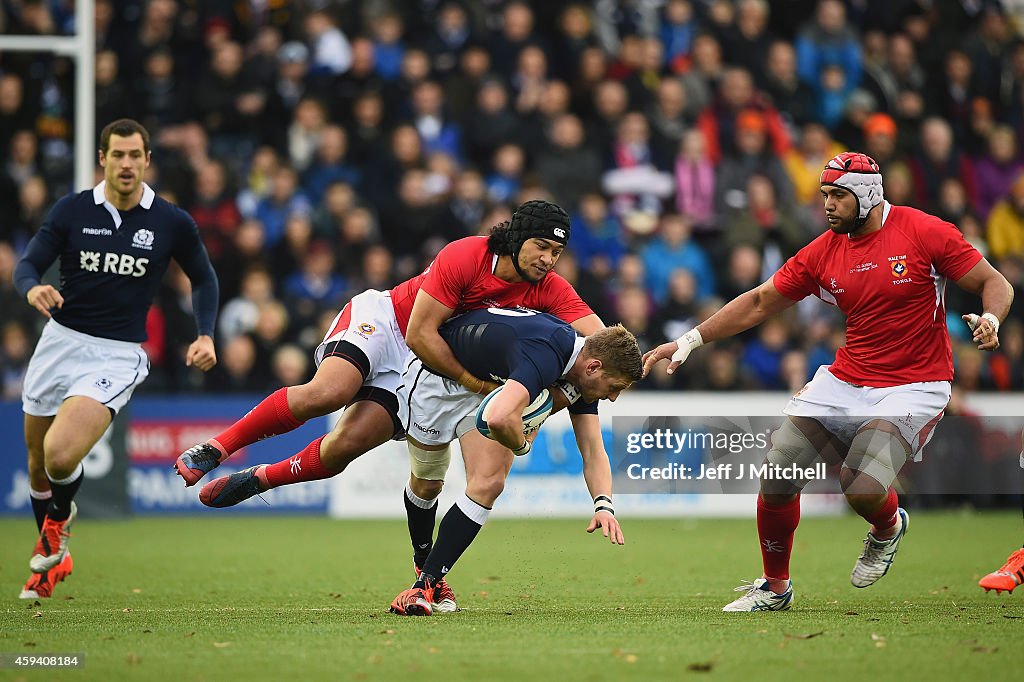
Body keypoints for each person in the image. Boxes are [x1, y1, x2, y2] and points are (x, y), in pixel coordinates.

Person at [182, 201, 605, 605]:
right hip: (390, 326)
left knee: (341, 451)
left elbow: (602, 347)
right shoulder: (466, 255)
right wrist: (475, 383)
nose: (549, 259)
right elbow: (421, 334)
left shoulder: (549, 288)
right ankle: (217, 447)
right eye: (542, 247)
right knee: (328, 392)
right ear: (516, 238)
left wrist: (647, 356)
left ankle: (260, 479)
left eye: (558, 251)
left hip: (432, 372)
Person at [643, 152, 1012, 611]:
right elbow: (759, 301)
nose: (828, 206)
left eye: (839, 196)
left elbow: (994, 281)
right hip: (846, 379)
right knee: (778, 474)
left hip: (915, 383)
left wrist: (992, 319)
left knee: (860, 486)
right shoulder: (824, 251)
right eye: (824, 196)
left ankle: (888, 526)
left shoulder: (923, 230)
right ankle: (775, 589)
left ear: (869, 195)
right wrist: (691, 340)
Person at [13, 119, 219, 599]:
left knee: (60, 454)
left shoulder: (171, 221)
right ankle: (51, 565)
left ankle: (59, 523)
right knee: (37, 464)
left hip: (116, 354)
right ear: (102, 159)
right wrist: (33, 288)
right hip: (60, 342)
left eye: (134, 156)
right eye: (117, 155)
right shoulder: (71, 211)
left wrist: (205, 334)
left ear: (147, 161)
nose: (126, 164)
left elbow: (204, 278)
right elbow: (26, 264)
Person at [388, 309, 642, 616]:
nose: (612, 397)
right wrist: (522, 446)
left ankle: (426, 583)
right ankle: (423, 561)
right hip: (438, 377)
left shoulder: (580, 377)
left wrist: (604, 505)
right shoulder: (546, 354)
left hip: (489, 388)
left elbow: (593, 450)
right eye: (613, 387)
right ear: (594, 367)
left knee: (490, 483)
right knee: (427, 483)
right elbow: (497, 419)